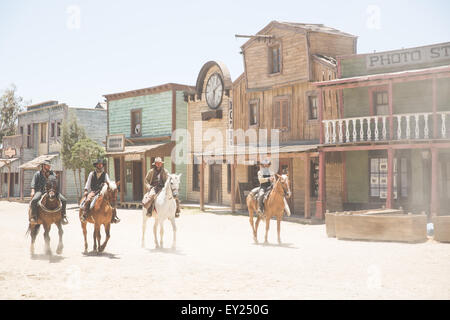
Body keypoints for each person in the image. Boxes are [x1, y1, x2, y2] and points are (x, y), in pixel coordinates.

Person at [80, 158, 120, 223]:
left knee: (112, 200)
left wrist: (111, 185)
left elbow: (108, 182)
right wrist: (86, 190)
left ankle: (114, 216)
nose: (100, 166)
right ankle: (84, 215)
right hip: (93, 191)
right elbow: (88, 182)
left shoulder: (105, 174)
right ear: (96, 166)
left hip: (102, 192)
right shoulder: (91, 174)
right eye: (99, 165)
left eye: (101, 165)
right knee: (87, 200)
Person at [29, 160, 68, 225]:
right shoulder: (37, 174)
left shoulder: (52, 173)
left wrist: (54, 190)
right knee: (34, 200)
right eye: (48, 165)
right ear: (43, 166)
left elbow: (55, 182)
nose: (49, 167)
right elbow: (33, 183)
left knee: (64, 200)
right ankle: (34, 217)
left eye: (49, 166)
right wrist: (32, 191)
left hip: (51, 191)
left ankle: (63, 216)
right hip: (40, 191)